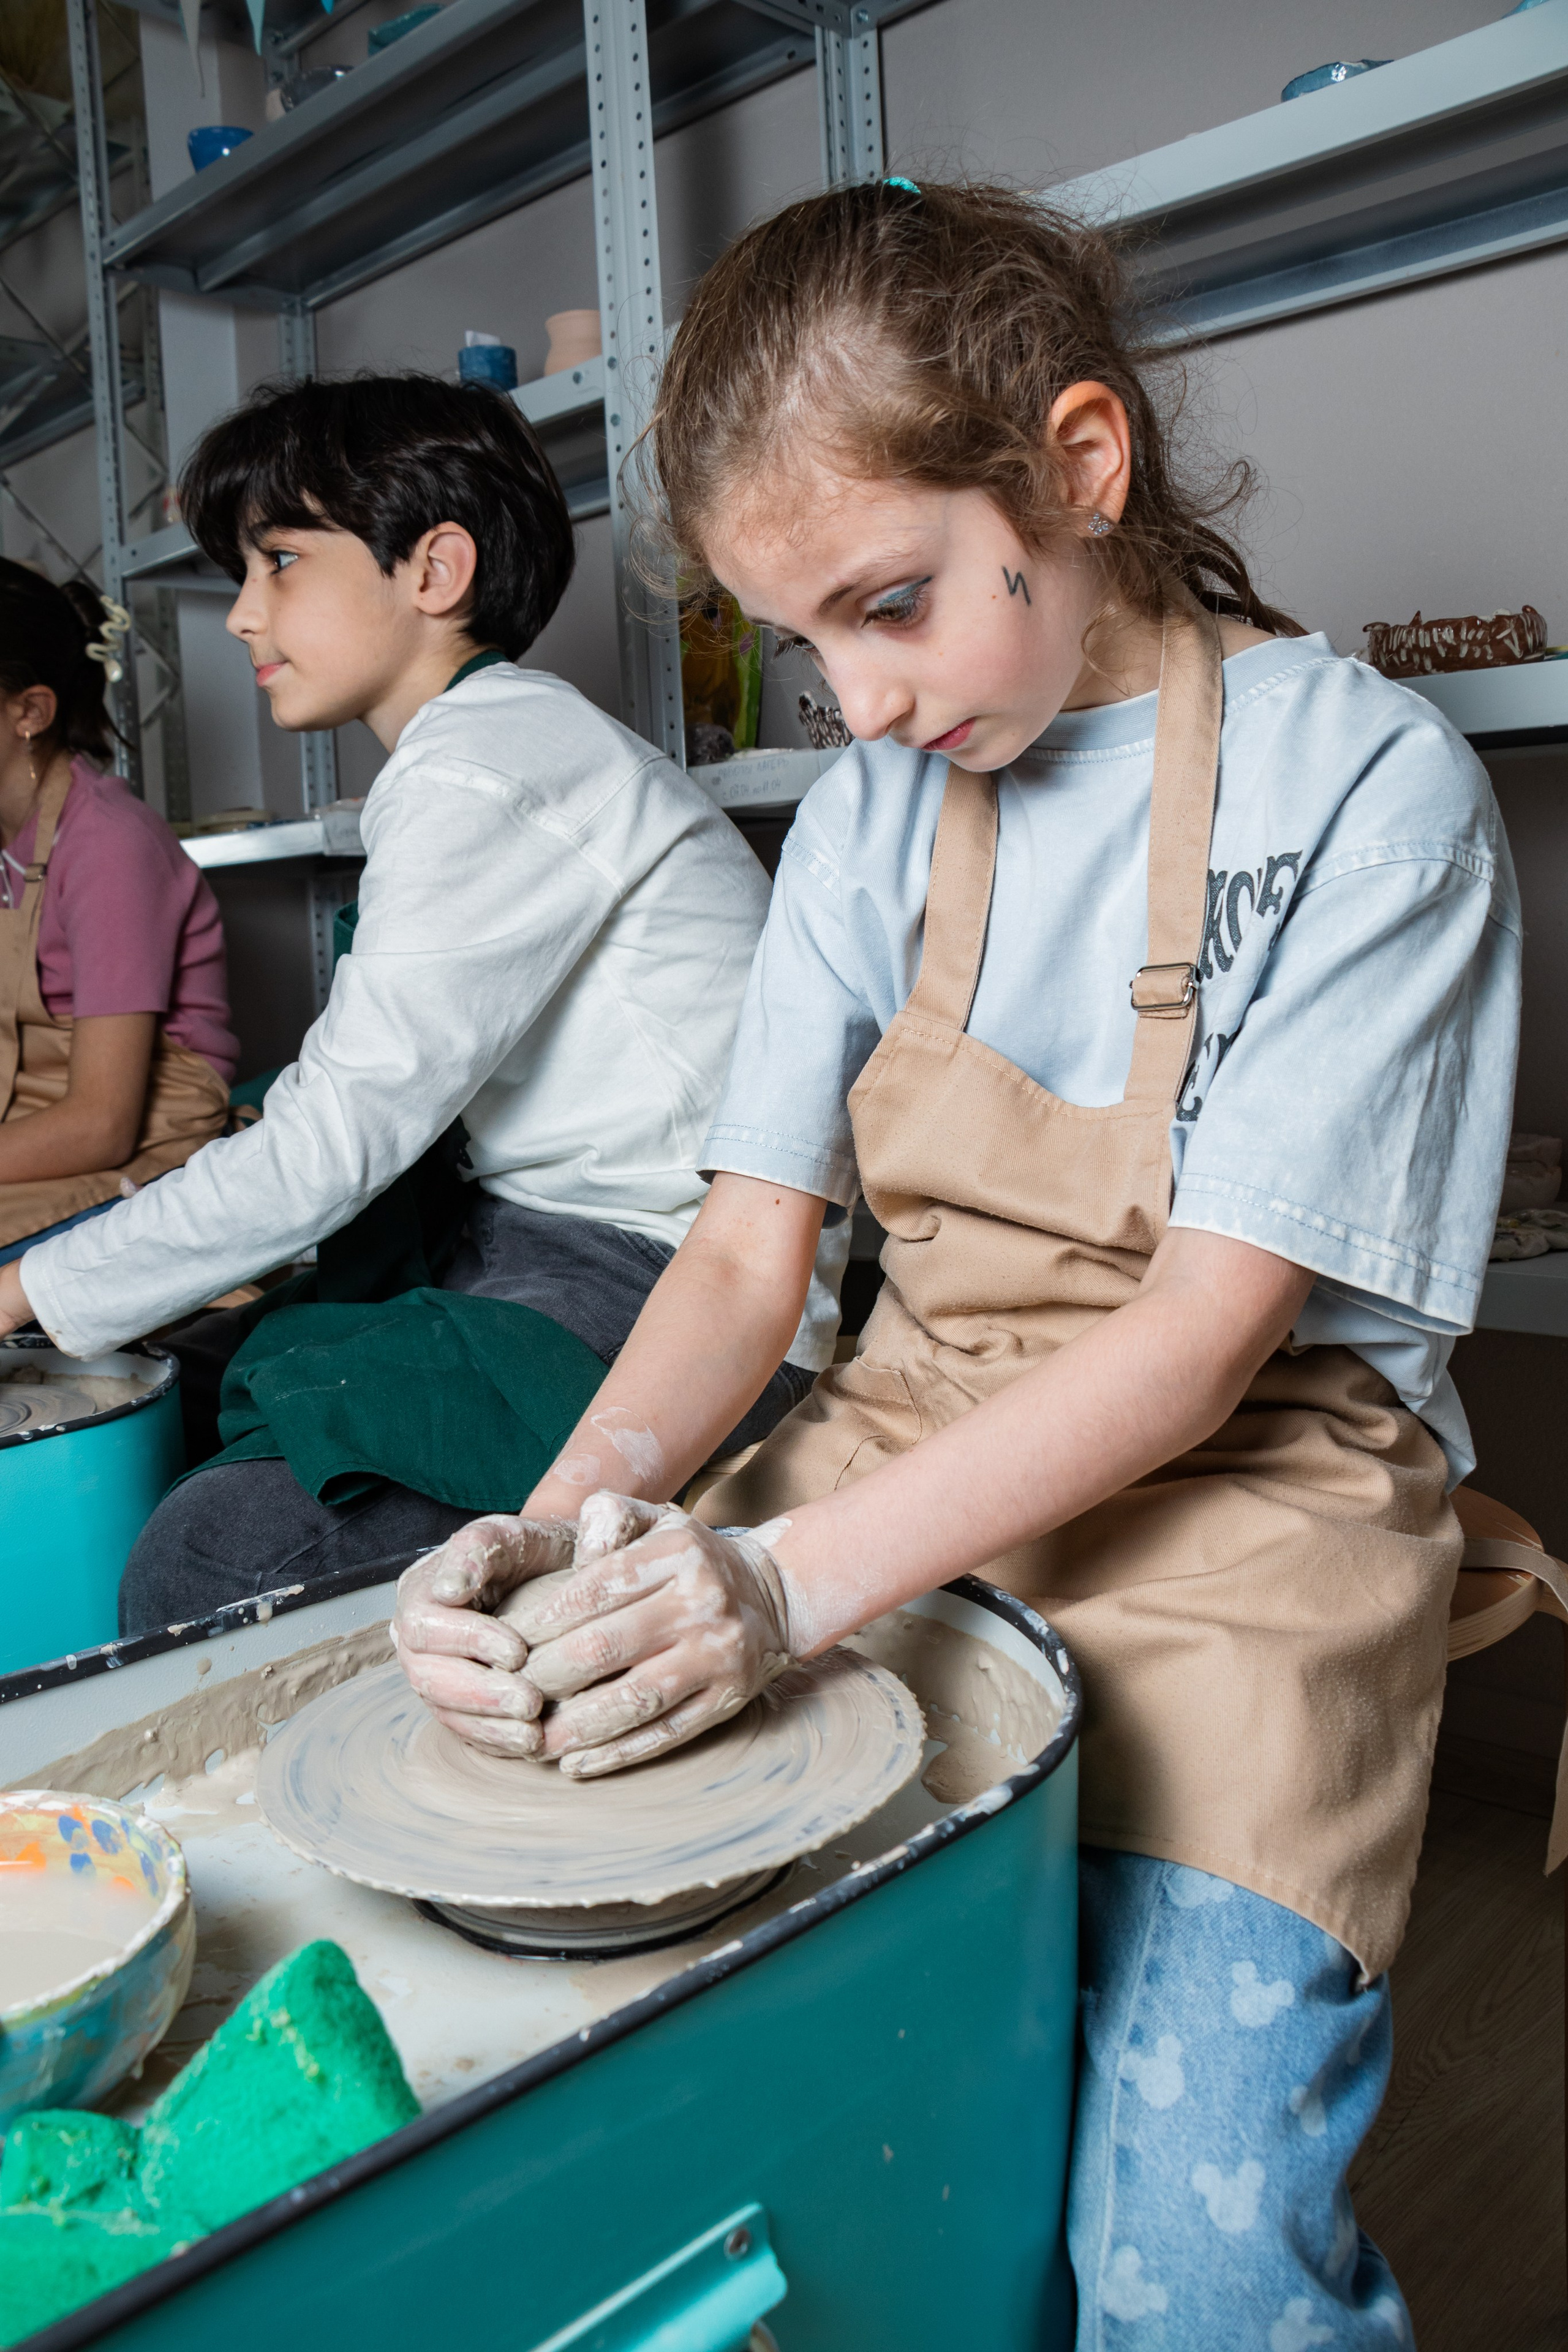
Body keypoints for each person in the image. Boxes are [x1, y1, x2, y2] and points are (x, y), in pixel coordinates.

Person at [391, 186, 1520, 2344]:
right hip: (905, 1432)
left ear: (1078, 467)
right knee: (701, 2059)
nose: (862, 699)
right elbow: (744, 1256)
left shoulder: (1365, 788)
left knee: (1185, 2267)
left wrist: (782, 1593)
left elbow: (1202, 1347)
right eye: (809, 643)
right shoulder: (867, 814)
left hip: (1243, 1518)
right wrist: (557, 1532)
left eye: (892, 604)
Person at [0, 374, 840, 1621]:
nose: (241, 614)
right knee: (172, 1374)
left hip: (663, 1278)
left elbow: (328, 1148)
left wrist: (17, 1286)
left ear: (434, 570)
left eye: (279, 561)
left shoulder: (490, 762)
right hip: (516, 1228)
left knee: (207, 1563)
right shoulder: (472, 750)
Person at [0, 561, 234, 1264]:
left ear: (30, 714)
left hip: (139, 1143)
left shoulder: (108, 844)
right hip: (34, 1128)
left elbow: (103, 1124)